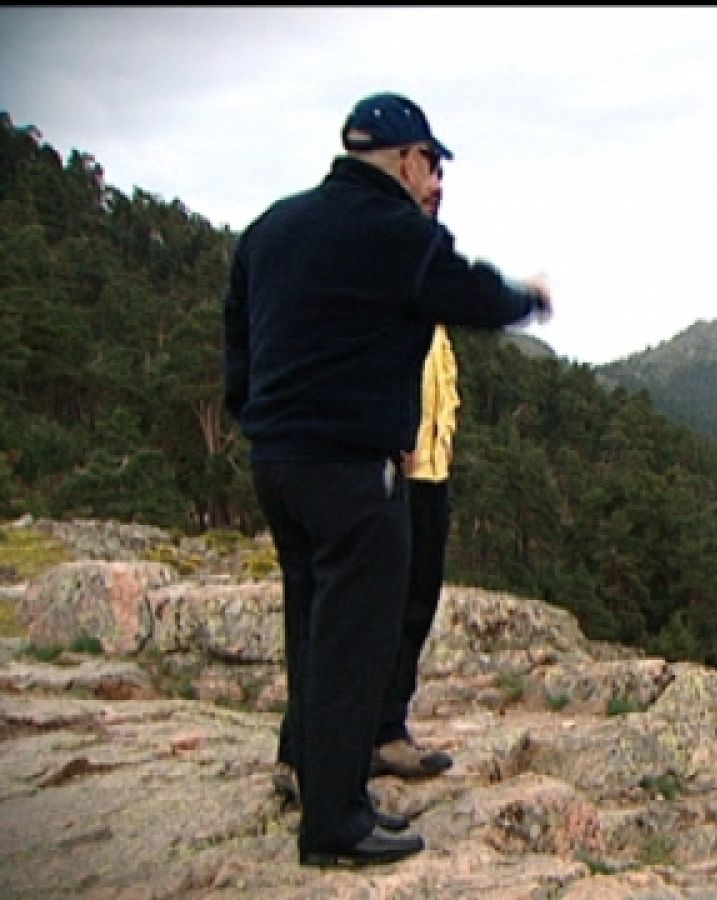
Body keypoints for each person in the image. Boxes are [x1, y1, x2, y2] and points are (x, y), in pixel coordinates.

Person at [226, 91, 551, 869]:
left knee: (310, 620)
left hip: (279, 462)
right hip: (350, 467)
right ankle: (335, 821)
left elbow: (237, 339)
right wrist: (528, 300)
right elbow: (468, 291)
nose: (432, 176)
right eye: (430, 162)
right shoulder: (394, 231)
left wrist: (257, 418)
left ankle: (309, 772)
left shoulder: (272, 228)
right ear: (406, 160)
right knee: (353, 637)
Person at [371, 177, 459, 781]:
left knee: (413, 606)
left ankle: (385, 732)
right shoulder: (374, 259)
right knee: (358, 613)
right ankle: (310, 753)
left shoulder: (422, 268)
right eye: (425, 174)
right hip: (383, 469)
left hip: (430, 471)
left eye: (441, 183)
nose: (436, 189)